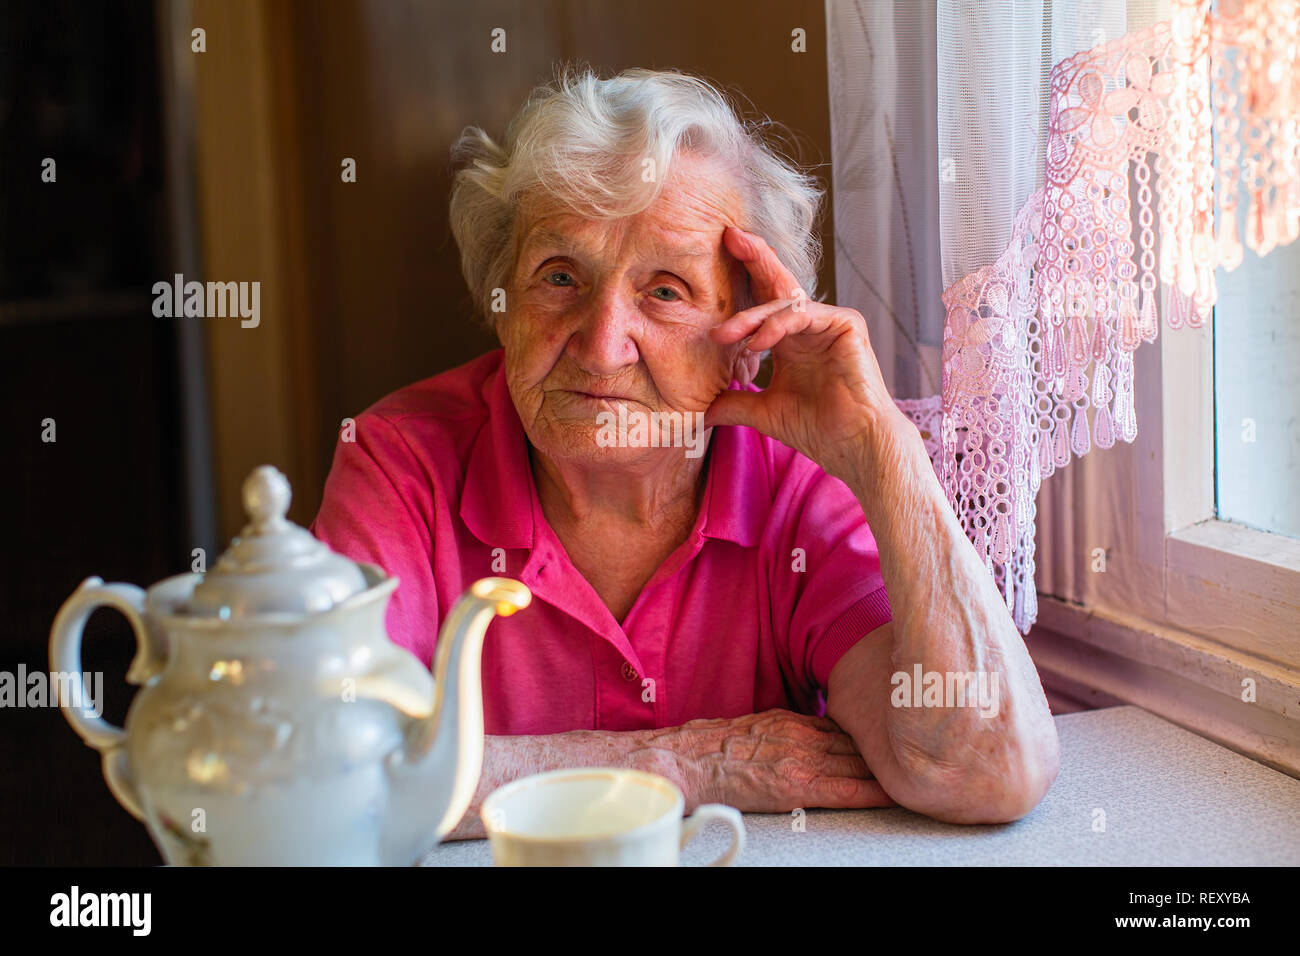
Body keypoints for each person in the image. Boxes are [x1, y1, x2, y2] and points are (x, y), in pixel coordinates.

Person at [312, 66, 1060, 839]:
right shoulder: (400, 463)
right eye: (559, 276)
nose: (602, 349)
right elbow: (325, 776)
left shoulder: (797, 483)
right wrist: (692, 763)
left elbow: (985, 766)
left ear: (751, 334)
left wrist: (885, 452)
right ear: (501, 301)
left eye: (665, 291)